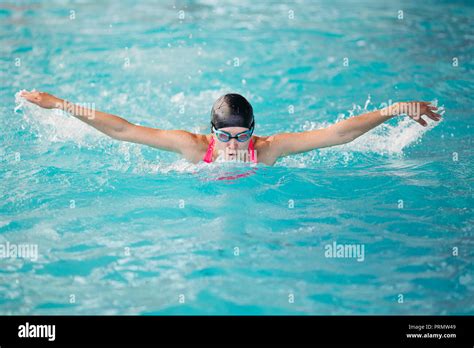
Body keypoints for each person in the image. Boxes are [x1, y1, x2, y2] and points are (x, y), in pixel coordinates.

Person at [19, 91, 442, 166]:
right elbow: (124, 131)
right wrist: (60, 105)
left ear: (254, 131)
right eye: (225, 137)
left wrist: (395, 109)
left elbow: (338, 134)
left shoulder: (270, 149)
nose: (235, 146)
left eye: (242, 136)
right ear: (212, 132)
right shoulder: (191, 147)